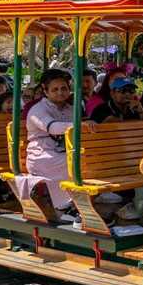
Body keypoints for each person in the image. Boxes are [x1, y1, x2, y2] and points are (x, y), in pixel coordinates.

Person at [24, 69, 88, 223]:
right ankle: (63, 207)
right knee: (74, 161)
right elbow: (53, 127)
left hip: (61, 151)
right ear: (45, 91)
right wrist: (81, 125)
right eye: (55, 89)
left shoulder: (70, 108)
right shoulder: (38, 110)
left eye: (64, 88)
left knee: (87, 158)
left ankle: (85, 202)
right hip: (42, 155)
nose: (60, 93)